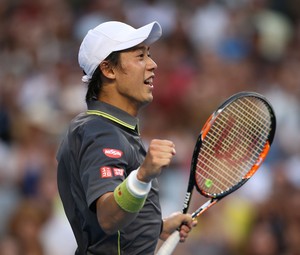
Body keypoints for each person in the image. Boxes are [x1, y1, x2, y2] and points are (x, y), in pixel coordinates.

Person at [56, 20, 197, 255]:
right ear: (109, 69)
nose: (153, 64)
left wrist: (156, 227)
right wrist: (142, 176)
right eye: (140, 56)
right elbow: (109, 218)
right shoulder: (100, 131)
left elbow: (108, 231)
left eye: (149, 55)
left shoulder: (106, 129)